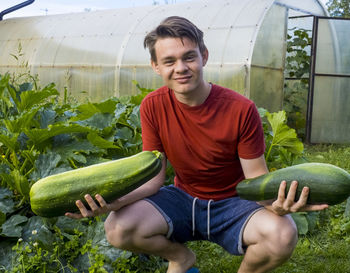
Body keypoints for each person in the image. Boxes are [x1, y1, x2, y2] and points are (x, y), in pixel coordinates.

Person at [66, 16, 328, 273]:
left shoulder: (241, 109)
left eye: (189, 57)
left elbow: (256, 179)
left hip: (234, 201)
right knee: (117, 228)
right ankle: (181, 258)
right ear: (156, 66)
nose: (180, 68)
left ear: (204, 56)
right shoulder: (153, 106)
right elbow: (154, 179)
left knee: (283, 234)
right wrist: (116, 201)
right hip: (183, 198)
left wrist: (276, 206)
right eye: (169, 61)